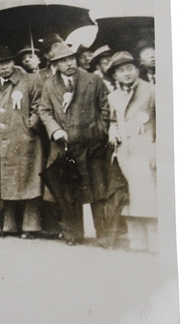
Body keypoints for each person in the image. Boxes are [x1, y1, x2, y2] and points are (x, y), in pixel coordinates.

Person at [38, 42, 110, 245]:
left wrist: (100, 130)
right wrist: (55, 130)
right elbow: (44, 110)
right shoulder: (50, 85)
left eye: (70, 59)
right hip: (65, 146)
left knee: (97, 190)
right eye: (62, 61)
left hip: (92, 144)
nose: (68, 63)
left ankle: (103, 234)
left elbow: (104, 105)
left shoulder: (92, 80)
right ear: (55, 65)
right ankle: (73, 234)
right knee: (69, 192)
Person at [0, 46, 44, 237]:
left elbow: (40, 106)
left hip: (28, 140)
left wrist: (30, 125)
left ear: (13, 62)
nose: (4, 67)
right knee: (5, 182)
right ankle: (7, 224)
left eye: (7, 62)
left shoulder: (30, 81)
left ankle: (31, 225)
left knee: (29, 181)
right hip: (3, 142)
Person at [107, 51, 157, 251]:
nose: (126, 73)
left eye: (129, 68)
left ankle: (155, 243)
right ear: (115, 75)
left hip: (146, 149)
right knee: (131, 197)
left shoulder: (151, 90)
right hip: (125, 153)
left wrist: (156, 147)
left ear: (137, 70)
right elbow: (112, 119)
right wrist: (113, 130)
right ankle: (137, 242)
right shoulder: (114, 96)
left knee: (150, 197)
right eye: (121, 70)